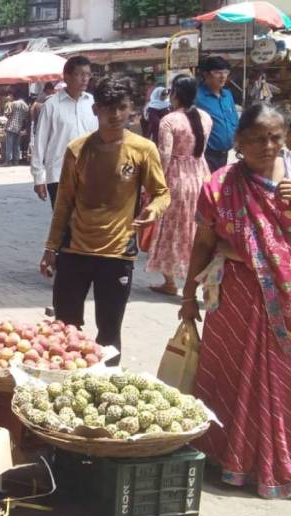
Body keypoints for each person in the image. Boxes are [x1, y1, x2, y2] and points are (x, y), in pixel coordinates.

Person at [179, 103, 291, 499]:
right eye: (258, 138)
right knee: (230, 374)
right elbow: (205, 243)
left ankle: (278, 464)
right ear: (239, 142)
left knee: (282, 383)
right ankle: (230, 458)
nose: (268, 145)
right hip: (236, 300)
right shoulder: (221, 185)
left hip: (284, 306)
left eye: (276, 137)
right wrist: (188, 295)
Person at [39, 76, 170, 354]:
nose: (116, 115)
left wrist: (153, 210)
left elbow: (162, 193)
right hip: (74, 250)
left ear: (131, 108)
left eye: (122, 107)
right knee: (65, 330)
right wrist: (51, 248)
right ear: (95, 109)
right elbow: (63, 204)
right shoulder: (77, 150)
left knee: (109, 334)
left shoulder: (143, 149)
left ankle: (108, 389)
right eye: (109, 108)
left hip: (117, 255)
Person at [146, 75, 213, 295]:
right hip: (201, 176)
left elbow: (164, 156)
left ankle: (170, 281)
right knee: (197, 232)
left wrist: (154, 187)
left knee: (171, 231)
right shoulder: (205, 117)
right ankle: (203, 282)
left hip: (176, 179)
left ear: (175, 93)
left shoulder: (169, 120)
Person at [32, 56, 98, 207]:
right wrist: (38, 178)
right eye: (80, 74)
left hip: (90, 174)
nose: (85, 79)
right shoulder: (51, 106)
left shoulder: (93, 103)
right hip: (59, 175)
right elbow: (40, 143)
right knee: (64, 226)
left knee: (88, 224)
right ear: (67, 76)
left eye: (88, 75)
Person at [195, 56, 240, 172]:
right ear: (206, 74)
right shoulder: (197, 97)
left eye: (226, 72)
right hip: (206, 155)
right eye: (218, 72)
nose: (223, 76)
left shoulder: (227, 95)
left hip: (225, 154)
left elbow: (234, 119)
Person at [141, 79, 170, 143]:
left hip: (167, 134)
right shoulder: (151, 107)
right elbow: (155, 122)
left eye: (166, 94)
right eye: (163, 94)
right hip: (156, 133)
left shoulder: (167, 104)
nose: (165, 96)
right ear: (158, 94)